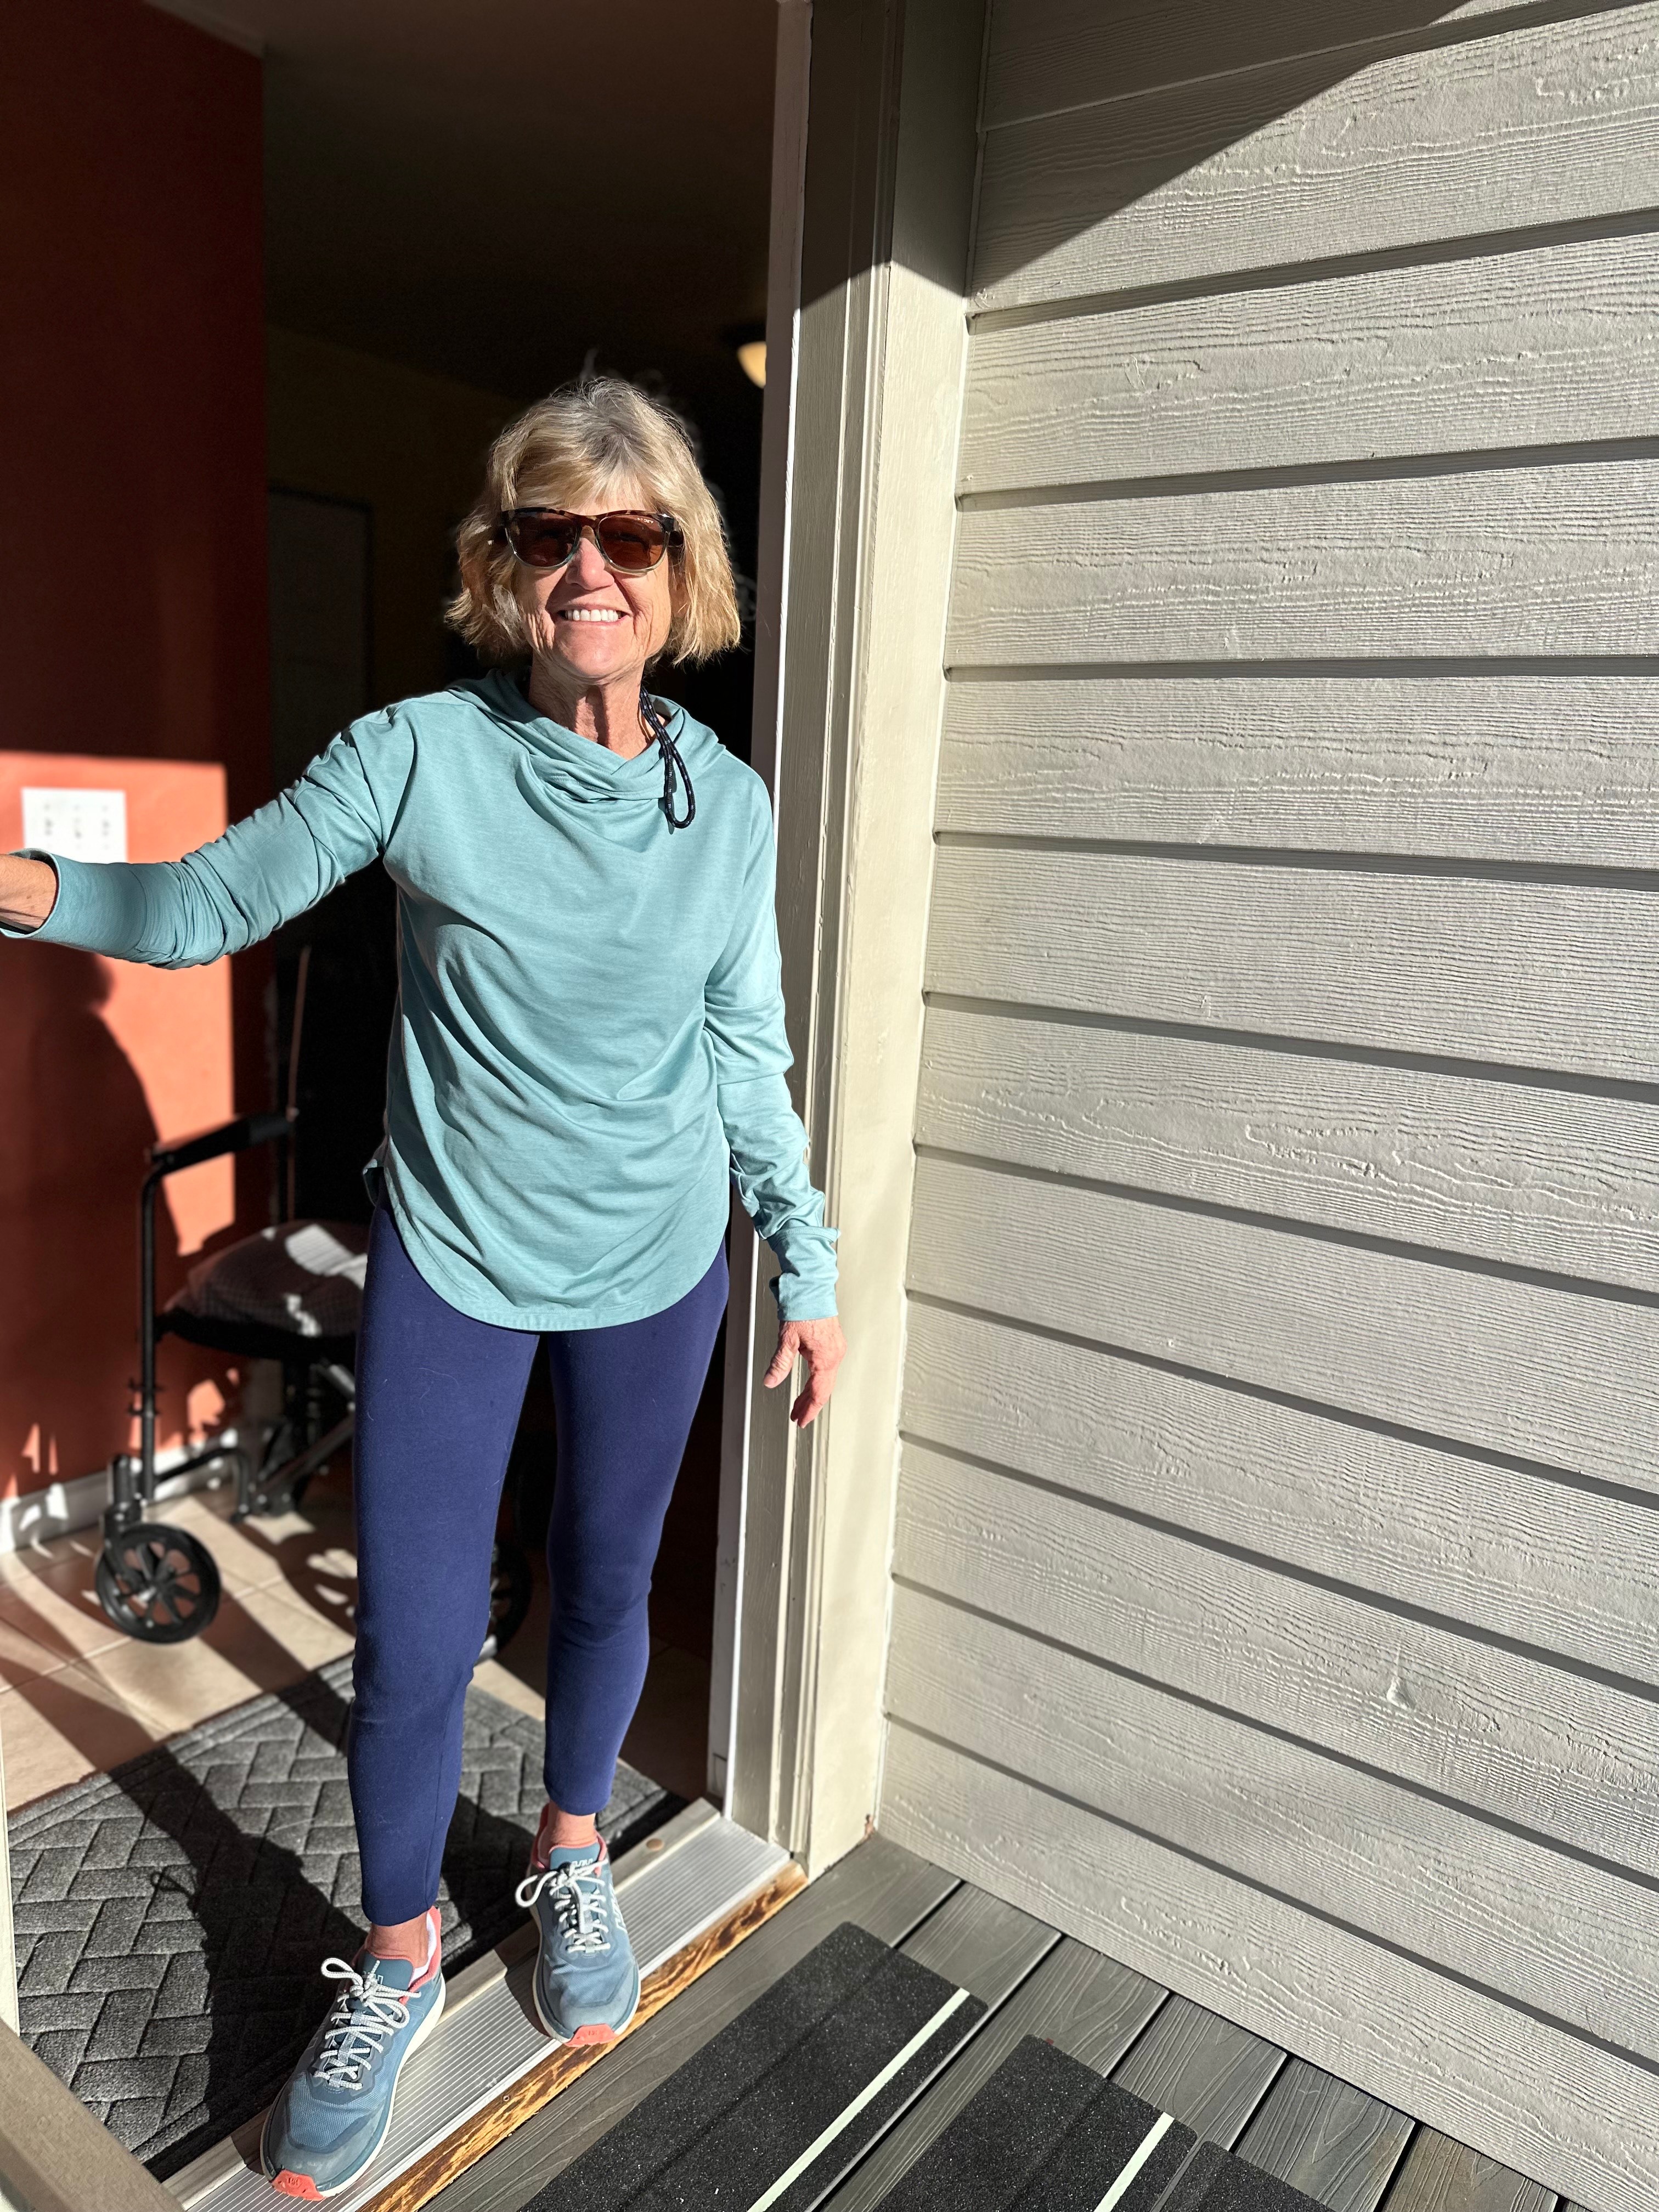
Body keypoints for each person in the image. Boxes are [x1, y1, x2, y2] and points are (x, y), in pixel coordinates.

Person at [0, 376, 845, 2200]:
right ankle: (394, 1959)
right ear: (502, 567)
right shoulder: (416, 755)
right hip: (458, 1261)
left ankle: (568, 1853)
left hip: (658, 1267)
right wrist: (27, 885)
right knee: (412, 1635)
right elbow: (201, 905)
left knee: (606, 1582)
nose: (592, 569)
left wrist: (809, 1257)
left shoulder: (727, 806)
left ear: (680, 570)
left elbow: (743, 1045)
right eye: (552, 533)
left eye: (631, 535)